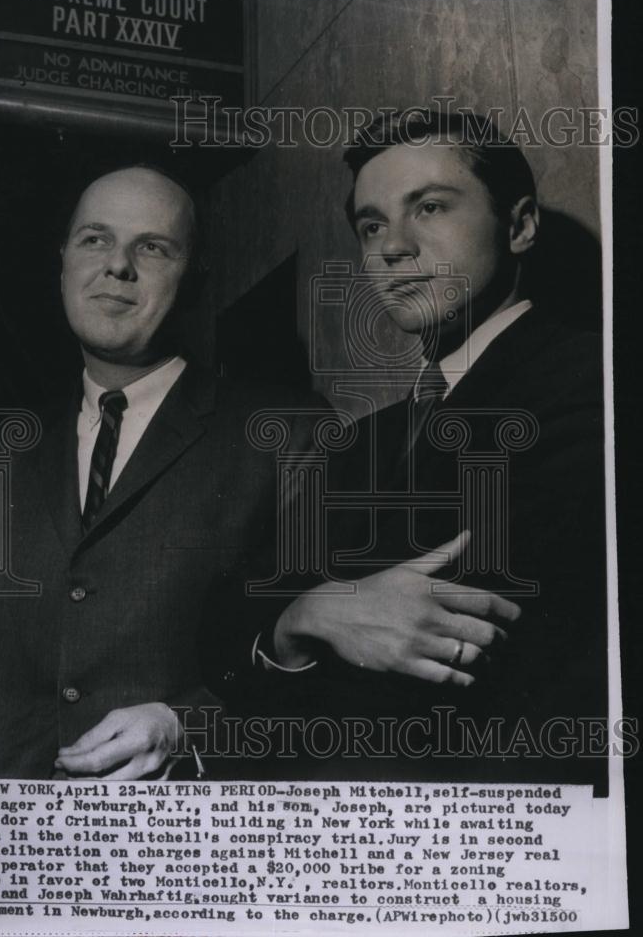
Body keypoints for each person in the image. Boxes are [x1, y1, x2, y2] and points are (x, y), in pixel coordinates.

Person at [204, 111, 607, 784]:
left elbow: (514, 646)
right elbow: (220, 624)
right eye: (370, 225)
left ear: (519, 225)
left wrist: (314, 608)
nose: (392, 247)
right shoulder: (361, 442)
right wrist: (311, 612)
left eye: (428, 207)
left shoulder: (594, 386)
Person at [0, 162, 324, 780]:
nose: (117, 266)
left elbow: (310, 675)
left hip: (173, 844)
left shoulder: (287, 433)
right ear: (63, 265)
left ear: (197, 281)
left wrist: (192, 730)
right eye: (95, 239)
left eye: (152, 248)